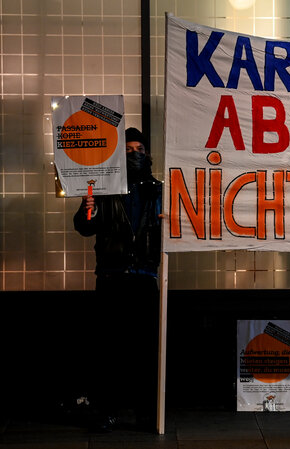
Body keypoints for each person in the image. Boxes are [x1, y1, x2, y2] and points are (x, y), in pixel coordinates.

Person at [73, 127, 162, 432]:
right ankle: (107, 411)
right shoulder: (104, 189)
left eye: (139, 149)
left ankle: (146, 413)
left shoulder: (159, 190)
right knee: (110, 349)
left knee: (144, 351)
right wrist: (89, 211)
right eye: (128, 149)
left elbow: (172, 231)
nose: (135, 153)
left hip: (144, 277)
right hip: (112, 277)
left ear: (147, 154)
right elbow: (85, 227)